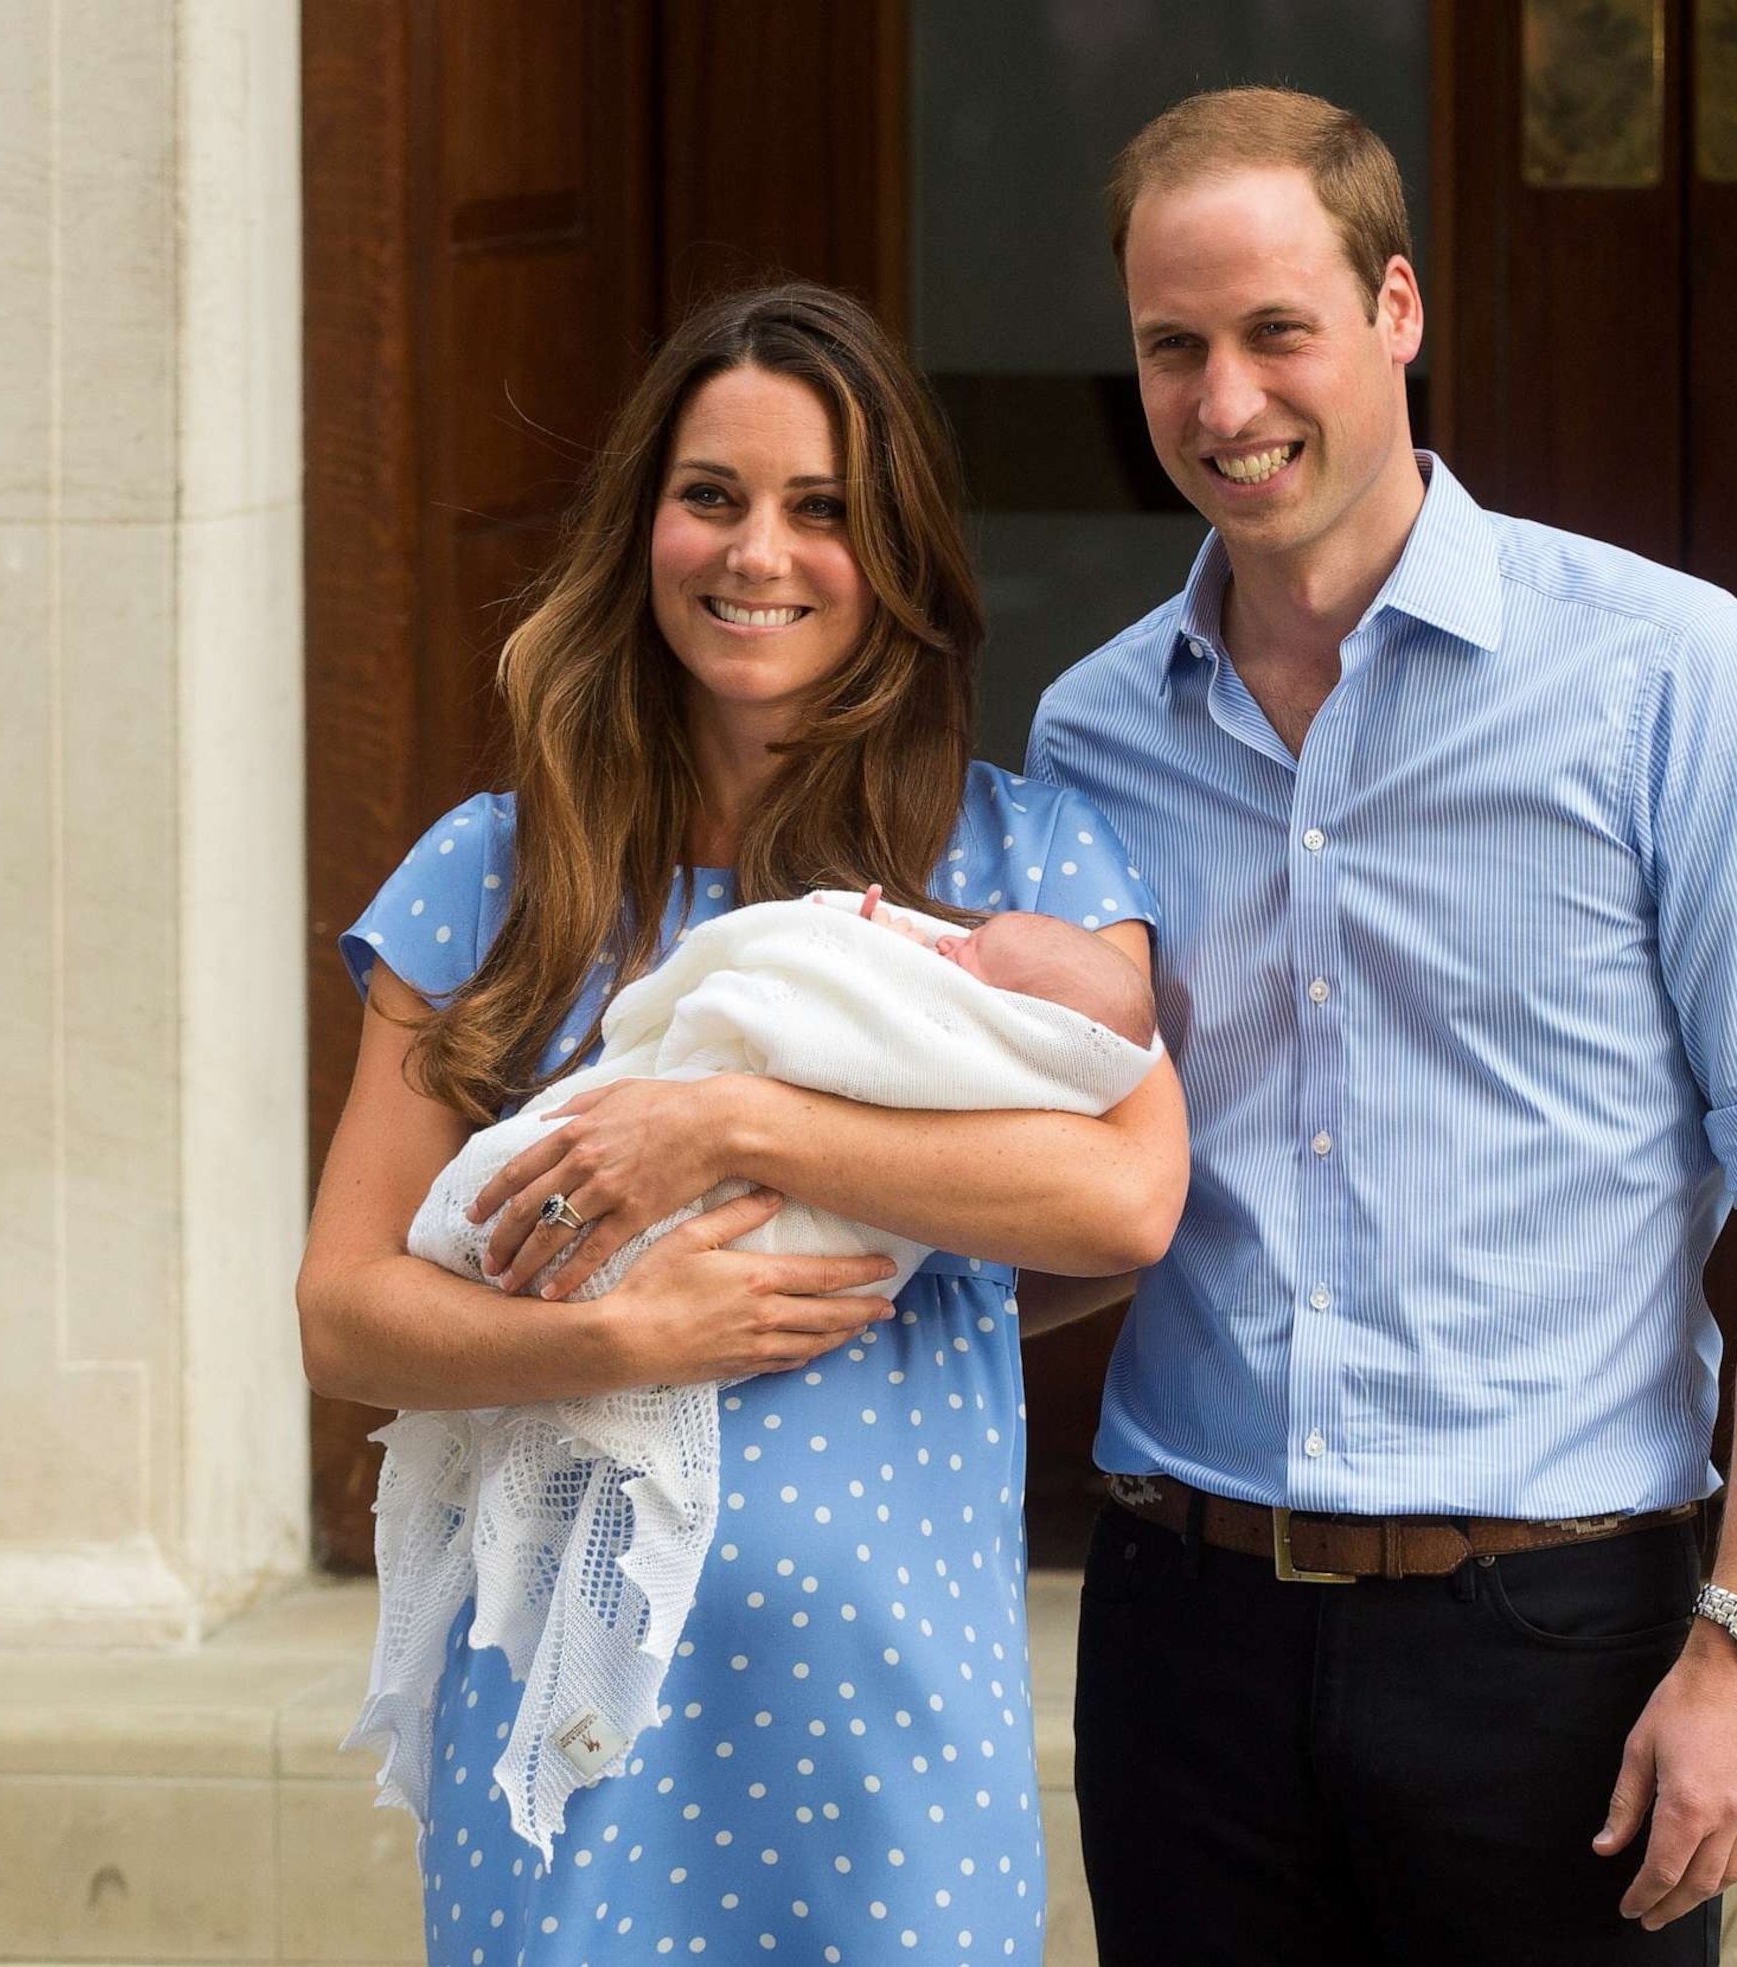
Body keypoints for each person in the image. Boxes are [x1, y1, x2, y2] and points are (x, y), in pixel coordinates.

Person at [1020, 88, 1737, 1964]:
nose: (1224, 401)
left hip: (1556, 1648)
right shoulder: (1095, 730)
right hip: (1185, 1637)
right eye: (1171, 348)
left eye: (1278, 332)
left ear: (1398, 312)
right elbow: (1090, 1187)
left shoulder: (1673, 677)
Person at [296, 281, 1188, 1964]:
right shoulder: (488, 877)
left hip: (887, 1725)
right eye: (712, 496)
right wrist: (622, 1339)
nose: (755, 554)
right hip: (568, 1721)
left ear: (900, 551)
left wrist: (731, 1128)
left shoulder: (1027, 870)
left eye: (823, 511)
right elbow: (344, 1312)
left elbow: (1125, 1205)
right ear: (645, 524)